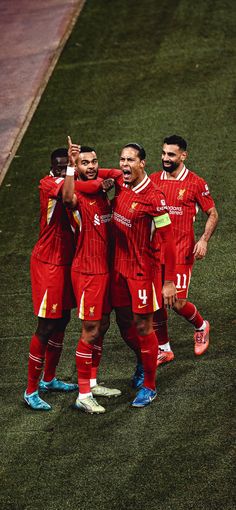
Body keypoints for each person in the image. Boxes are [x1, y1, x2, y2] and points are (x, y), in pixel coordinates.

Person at [24, 148, 103, 411]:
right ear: (52, 168)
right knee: (46, 325)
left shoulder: (71, 178)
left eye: (65, 166)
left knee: (64, 320)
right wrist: (72, 169)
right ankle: (31, 390)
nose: (61, 171)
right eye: (58, 167)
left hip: (69, 262)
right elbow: (69, 194)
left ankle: (49, 379)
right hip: (49, 264)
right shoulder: (49, 183)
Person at [111, 143, 177, 408]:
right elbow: (102, 172)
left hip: (142, 271)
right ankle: (142, 360)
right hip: (119, 268)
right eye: (122, 159)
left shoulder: (154, 197)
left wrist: (169, 281)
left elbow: (169, 240)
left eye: (130, 160)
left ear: (142, 163)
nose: (125, 164)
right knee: (123, 324)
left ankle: (150, 385)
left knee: (143, 327)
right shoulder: (121, 183)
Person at [62, 137, 122, 414]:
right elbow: (66, 196)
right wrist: (73, 168)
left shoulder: (99, 193)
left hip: (105, 270)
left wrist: (99, 178)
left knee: (104, 325)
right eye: (85, 162)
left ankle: (93, 382)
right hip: (87, 272)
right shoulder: (79, 196)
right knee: (90, 331)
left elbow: (118, 174)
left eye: (94, 161)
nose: (91, 166)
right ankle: (83, 394)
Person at [150, 135, 218, 365]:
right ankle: (164, 348)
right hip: (154, 252)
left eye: (171, 154)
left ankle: (201, 325)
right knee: (156, 302)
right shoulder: (153, 180)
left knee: (176, 302)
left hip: (181, 252)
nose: (166, 158)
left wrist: (204, 240)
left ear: (183, 155)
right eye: (163, 153)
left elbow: (213, 214)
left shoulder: (196, 183)